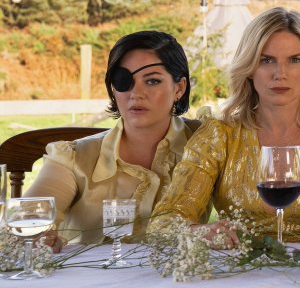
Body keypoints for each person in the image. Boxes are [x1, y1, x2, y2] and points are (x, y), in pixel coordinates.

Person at [151, 7, 300, 243]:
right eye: (266, 60)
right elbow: (165, 221)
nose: (280, 73)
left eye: (294, 60)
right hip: (238, 272)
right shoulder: (219, 135)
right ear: (249, 68)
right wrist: (198, 232)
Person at [25, 31, 200, 248]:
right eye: (124, 80)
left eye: (152, 81)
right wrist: (36, 237)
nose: (137, 93)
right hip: (89, 279)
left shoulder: (208, 144)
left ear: (179, 88)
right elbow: (25, 223)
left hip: (180, 280)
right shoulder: (73, 159)